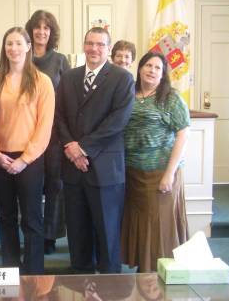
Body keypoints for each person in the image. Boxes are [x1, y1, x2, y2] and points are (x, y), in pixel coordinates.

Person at [55, 27, 135, 274]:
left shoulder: (122, 78)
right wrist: (71, 147)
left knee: (107, 231)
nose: (94, 49)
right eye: (90, 43)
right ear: (83, 45)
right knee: (77, 231)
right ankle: (80, 279)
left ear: (108, 49)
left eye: (100, 44)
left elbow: (117, 121)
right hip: (72, 169)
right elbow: (58, 116)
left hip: (105, 169)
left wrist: (83, 148)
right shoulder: (69, 77)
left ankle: (109, 283)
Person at [0, 27, 55, 274]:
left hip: (30, 160)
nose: (13, 49)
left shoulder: (42, 81)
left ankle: (34, 272)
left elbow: (44, 126)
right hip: (0, 158)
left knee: (31, 220)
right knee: (5, 218)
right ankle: (10, 270)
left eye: (18, 43)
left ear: (28, 47)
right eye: (8, 44)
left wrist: (24, 160)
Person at [121, 51, 190, 272]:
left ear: (163, 74)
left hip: (161, 171)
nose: (152, 70)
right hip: (132, 173)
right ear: (139, 68)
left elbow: (182, 134)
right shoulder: (127, 93)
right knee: (141, 223)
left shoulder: (170, 97)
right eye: (148, 65)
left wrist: (169, 173)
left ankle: (158, 275)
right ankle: (144, 268)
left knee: (159, 225)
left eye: (157, 68)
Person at [25, 10, 70, 254]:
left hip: (53, 135)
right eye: (37, 27)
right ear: (30, 30)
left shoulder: (60, 60)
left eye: (46, 28)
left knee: (55, 185)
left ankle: (50, 236)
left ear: (51, 33)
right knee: (31, 185)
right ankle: (32, 232)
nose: (41, 32)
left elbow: (67, 99)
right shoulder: (22, 57)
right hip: (26, 133)